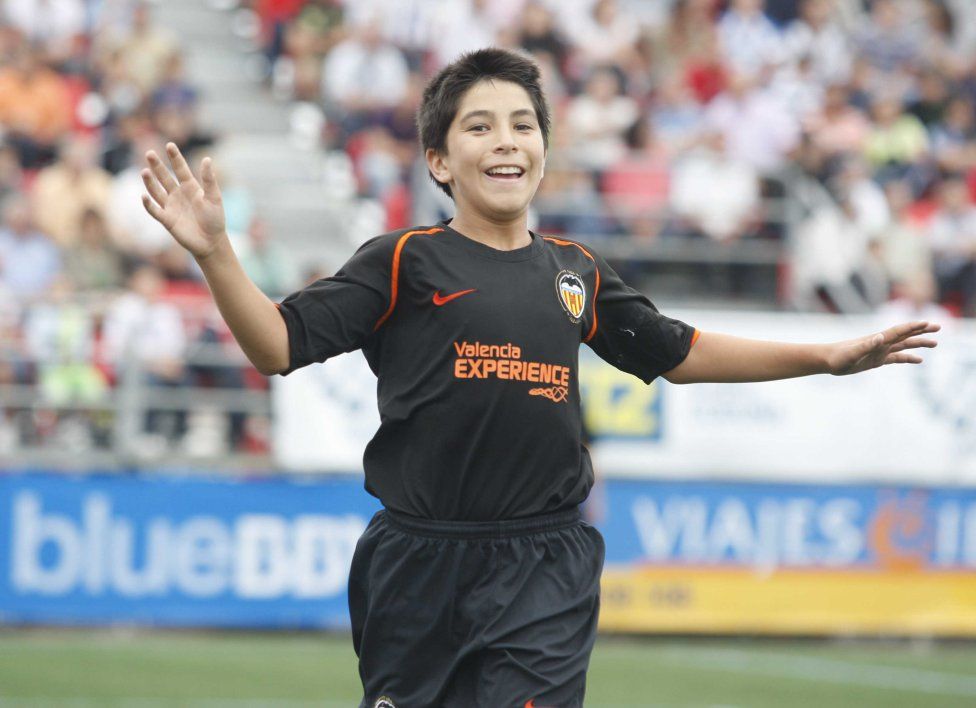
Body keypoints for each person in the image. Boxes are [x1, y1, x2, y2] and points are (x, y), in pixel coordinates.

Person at [140, 48, 939, 708]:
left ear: (545, 151)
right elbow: (276, 345)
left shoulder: (575, 271)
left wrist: (823, 358)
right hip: (417, 564)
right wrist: (215, 252)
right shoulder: (402, 260)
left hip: (544, 565)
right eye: (479, 126)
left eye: (523, 124)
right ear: (438, 160)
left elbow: (679, 351)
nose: (506, 141)